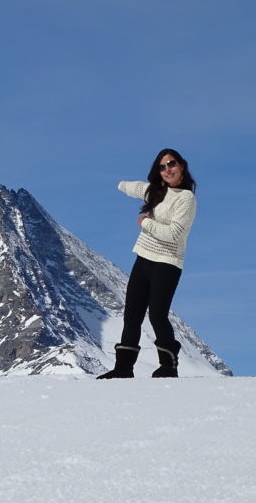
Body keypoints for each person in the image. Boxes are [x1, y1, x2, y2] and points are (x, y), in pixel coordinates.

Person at [98, 148, 197, 379]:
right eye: (162, 167)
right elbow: (136, 188)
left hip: (167, 263)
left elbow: (175, 234)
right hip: (143, 259)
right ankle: (123, 368)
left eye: (171, 164)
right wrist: (118, 184)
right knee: (132, 314)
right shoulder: (156, 192)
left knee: (157, 315)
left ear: (181, 166)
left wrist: (145, 223)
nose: (167, 170)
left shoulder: (186, 198)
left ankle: (168, 366)